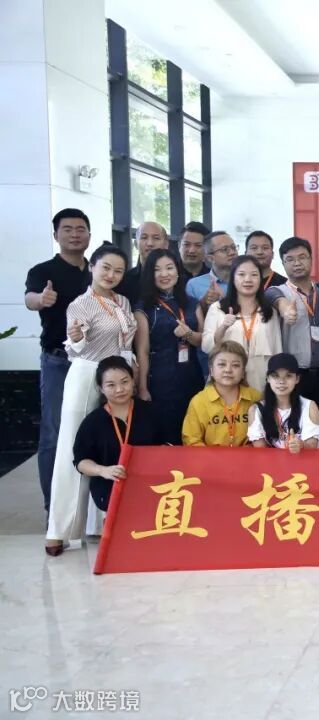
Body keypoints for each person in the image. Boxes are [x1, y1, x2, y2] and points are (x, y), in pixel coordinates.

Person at [45, 243, 135, 555]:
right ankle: (59, 530)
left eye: (118, 270)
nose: (111, 274)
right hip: (88, 373)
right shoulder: (80, 304)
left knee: (109, 444)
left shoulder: (122, 301)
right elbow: (76, 344)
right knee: (72, 447)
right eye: (105, 267)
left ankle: (97, 523)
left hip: (119, 377)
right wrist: (77, 337)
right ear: (93, 267)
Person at [25, 208, 91, 515]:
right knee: (53, 433)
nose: (75, 234)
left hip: (94, 362)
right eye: (68, 229)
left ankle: (89, 509)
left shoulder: (97, 271)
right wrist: (41, 300)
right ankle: (54, 509)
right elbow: (30, 299)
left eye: (80, 229)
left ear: (89, 235)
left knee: (92, 429)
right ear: (56, 235)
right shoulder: (43, 271)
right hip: (58, 362)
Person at [72, 356, 161, 517]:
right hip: (111, 492)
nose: (119, 389)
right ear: (101, 388)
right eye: (111, 385)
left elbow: (170, 447)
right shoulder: (93, 422)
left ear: (133, 381)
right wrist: (103, 470)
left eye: (124, 382)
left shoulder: (152, 412)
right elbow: (80, 461)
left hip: (152, 490)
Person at [265, 236, 319, 445]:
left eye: (302, 257)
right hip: (293, 377)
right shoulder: (278, 292)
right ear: (282, 263)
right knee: (294, 431)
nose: (297, 263)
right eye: (290, 259)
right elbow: (271, 296)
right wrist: (284, 307)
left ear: (311, 259)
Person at [134, 248, 204, 444]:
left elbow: (204, 341)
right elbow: (142, 351)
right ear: (150, 275)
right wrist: (142, 388)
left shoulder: (192, 303)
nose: (164, 274)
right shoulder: (143, 307)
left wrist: (188, 334)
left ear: (178, 271)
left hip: (191, 375)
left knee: (193, 430)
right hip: (160, 380)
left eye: (169, 268)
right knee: (166, 433)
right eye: (157, 270)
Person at [201, 255, 282, 391]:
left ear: (260, 279)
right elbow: (206, 346)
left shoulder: (269, 311)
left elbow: (277, 350)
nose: (248, 279)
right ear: (233, 278)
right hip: (227, 379)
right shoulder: (218, 308)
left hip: (261, 379)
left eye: (254, 275)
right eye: (241, 274)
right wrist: (223, 327)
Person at [182, 341, 261, 446]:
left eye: (235, 365)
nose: (228, 370)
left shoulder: (256, 398)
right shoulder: (199, 401)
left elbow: (266, 438)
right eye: (222, 364)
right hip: (209, 456)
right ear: (211, 371)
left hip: (248, 456)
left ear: (243, 372)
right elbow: (191, 440)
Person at [248, 353, 319, 451]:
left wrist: (301, 445)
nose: (281, 381)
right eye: (275, 376)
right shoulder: (256, 410)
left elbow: (312, 447)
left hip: (303, 460)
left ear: (297, 379)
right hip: (272, 461)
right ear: (268, 378)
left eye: (288, 376)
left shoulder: (309, 407)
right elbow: (261, 451)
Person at [118, 221, 169, 303]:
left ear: (166, 244)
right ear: (135, 244)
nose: (150, 243)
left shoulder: (176, 279)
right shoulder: (123, 281)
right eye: (144, 237)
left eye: (156, 238)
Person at [186, 231, 238, 308]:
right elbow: (191, 314)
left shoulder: (246, 280)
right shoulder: (194, 285)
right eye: (224, 249)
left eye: (234, 248)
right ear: (210, 258)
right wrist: (204, 303)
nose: (232, 252)